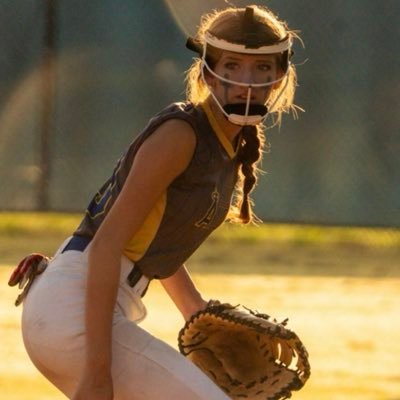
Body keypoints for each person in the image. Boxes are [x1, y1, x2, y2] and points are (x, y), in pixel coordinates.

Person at [19, 5, 300, 400]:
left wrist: (195, 311)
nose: (247, 82)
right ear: (206, 71)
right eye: (233, 65)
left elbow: (156, 240)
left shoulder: (224, 145)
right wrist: (98, 373)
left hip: (91, 307)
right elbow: (105, 247)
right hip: (75, 309)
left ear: (279, 77)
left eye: (262, 69)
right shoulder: (181, 135)